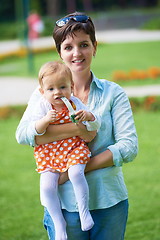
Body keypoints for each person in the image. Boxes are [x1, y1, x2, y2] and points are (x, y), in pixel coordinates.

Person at [16, 12, 138, 240]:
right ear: (59, 52)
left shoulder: (113, 93)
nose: (77, 53)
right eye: (68, 47)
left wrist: (71, 171)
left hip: (109, 201)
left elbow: (129, 146)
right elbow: (23, 134)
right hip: (64, 205)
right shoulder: (43, 95)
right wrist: (78, 130)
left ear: (94, 46)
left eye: (84, 44)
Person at [31, 61, 100, 240]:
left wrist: (89, 116)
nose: (57, 93)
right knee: (46, 187)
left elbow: (94, 126)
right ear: (42, 92)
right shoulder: (43, 106)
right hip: (50, 153)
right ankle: (58, 222)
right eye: (51, 89)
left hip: (73, 148)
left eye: (62, 87)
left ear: (71, 87)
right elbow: (34, 130)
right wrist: (45, 120)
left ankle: (84, 213)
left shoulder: (75, 103)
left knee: (77, 174)